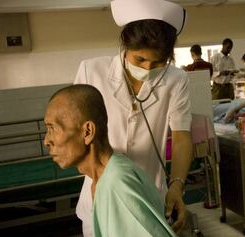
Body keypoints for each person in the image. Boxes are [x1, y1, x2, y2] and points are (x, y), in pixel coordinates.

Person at [74, 0, 193, 235]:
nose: (148, 68)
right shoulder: (91, 71)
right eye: (139, 60)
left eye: (158, 63)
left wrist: (177, 187)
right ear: (124, 47)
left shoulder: (176, 80)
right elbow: (78, 136)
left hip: (150, 196)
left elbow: (181, 137)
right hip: (100, 194)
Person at [44, 85, 176, 237]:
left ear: (87, 132)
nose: (47, 141)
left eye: (52, 129)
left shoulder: (117, 183)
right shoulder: (102, 180)